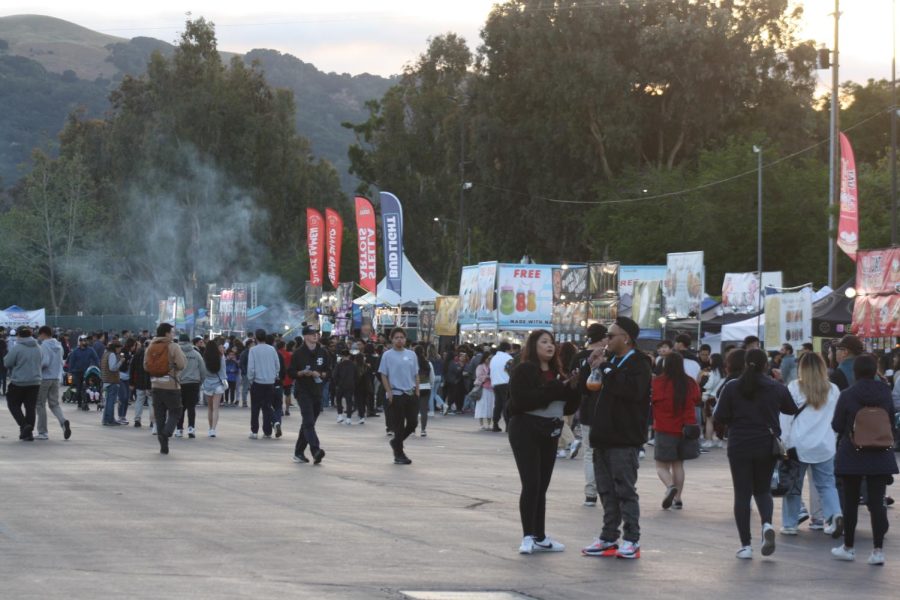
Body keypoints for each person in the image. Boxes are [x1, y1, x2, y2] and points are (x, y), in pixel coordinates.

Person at [714, 348, 797, 559]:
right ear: (766, 366)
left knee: (742, 494)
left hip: (739, 444)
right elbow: (791, 409)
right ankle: (767, 524)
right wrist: (779, 383)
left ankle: (745, 545)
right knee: (762, 490)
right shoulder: (775, 387)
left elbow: (720, 415)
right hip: (766, 444)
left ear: (744, 364)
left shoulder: (732, 387)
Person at [581, 317, 652, 560]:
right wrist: (591, 367)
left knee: (625, 490)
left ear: (626, 338)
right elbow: (587, 388)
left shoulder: (639, 362)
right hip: (601, 435)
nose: (606, 340)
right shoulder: (609, 361)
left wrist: (607, 368)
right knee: (606, 490)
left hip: (624, 437)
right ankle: (608, 536)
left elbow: (632, 391)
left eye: (611, 336)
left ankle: (632, 539)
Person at [508, 329, 579, 554]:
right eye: (544, 342)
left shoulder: (559, 372)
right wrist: (556, 388)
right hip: (525, 429)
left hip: (550, 430)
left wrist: (573, 388)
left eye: (552, 342)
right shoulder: (525, 370)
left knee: (542, 485)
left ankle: (540, 535)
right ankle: (528, 535)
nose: (550, 346)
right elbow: (522, 402)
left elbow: (568, 407)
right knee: (531, 483)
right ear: (533, 346)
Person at [830, 354, 898, 565]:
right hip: (880, 453)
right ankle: (877, 551)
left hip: (853, 453)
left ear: (856, 372)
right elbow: (891, 418)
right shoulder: (885, 392)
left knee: (850, 502)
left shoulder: (848, 394)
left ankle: (848, 547)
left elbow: (837, 424)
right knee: (877, 502)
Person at [779, 351, 842, 537]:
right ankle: (834, 515)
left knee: (793, 485)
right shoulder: (833, 389)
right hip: (825, 445)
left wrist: (784, 442)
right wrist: (834, 438)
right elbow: (837, 418)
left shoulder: (794, 387)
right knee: (827, 485)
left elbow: (786, 417)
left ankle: (790, 524)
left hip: (798, 445)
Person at [651, 352, 701, 510]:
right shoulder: (690, 382)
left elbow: (652, 400)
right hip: (686, 429)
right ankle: (678, 499)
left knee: (661, 466)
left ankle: (670, 486)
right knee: (678, 465)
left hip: (665, 428)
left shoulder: (658, 382)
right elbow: (697, 399)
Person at [572, 323, 608, 507]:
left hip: (587, 409)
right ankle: (607, 492)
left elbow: (576, 386)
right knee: (608, 452)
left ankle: (590, 494)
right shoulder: (610, 357)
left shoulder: (578, 357)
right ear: (603, 338)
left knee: (589, 452)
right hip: (608, 410)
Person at [378, 327, 419, 465]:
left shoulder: (411, 355)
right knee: (399, 425)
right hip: (396, 394)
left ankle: (396, 442)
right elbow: (383, 374)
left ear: (405, 339)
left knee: (413, 422)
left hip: (410, 393)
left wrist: (417, 390)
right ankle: (399, 454)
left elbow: (416, 374)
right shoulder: (387, 355)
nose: (399, 339)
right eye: (396, 337)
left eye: (402, 337)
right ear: (392, 339)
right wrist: (388, 391)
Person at [289, 326, 329, 464]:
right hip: (303, 391)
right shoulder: (298, 354)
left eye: (316, 333)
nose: (315, 336)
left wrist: (321, 374)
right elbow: (291, 372)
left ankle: (298, 452)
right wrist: (301, 373)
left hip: (317, 391)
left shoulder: (323, 352)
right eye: (312, 334)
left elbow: (328, 371)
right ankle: (315, 450)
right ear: (305, 336)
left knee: (308, 423)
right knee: (309, 421)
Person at [145, 323, 186, 455]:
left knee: (160, 416)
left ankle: (163, 445)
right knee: (176, 411)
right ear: (167, 333)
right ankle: (167, 433)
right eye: (172, 332)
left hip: (155, 385)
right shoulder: (173, 346)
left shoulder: (150, 346)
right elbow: (181, 364)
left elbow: (146, 366)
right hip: (171, 385)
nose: (173, 334)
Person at [4, 326, 43, 441]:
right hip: (35, 382)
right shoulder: (38, 347)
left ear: (19, 335)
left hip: (19, 382)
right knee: (30, 407)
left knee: (13, 404)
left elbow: (7, 362)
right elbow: (42, 360)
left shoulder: (18, 348)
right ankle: (28, 434)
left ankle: (24, 425)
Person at [35, 326, 70, 441]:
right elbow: (61, 361)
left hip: (45, 378)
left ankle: (43, 432)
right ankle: (63, 422)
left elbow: (45, 362)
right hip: (56, 378)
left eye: (39, 335)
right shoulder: (59, 345)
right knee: (54, 404)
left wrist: (36, 367)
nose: (39, 337)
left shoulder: (44, 345)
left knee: (40, 404)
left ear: (43, 334)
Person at [247, 329, 281, 440]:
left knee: (255, 408)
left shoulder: (253, 350)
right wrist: (274, 375)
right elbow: (277, 365)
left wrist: (251, 379)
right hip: (270, 382)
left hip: (257, 382)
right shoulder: (272, 349)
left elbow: (251, 368)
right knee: (267, 407)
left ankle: (254, 431)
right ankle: (267, 431)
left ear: (256, 337)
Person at [176, 334, 206, 439]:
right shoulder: (196, 354)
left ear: (179, 341)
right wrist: (200, 381)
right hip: (193, 383)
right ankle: (191, 428)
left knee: (180, 407)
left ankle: (179, 429)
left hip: (179, 383)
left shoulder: (176, 353)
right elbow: (203, 370)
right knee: (191, 407)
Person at [701, 353, 727, 448]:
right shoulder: (724, 372)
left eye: (711, 359)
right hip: (720, 398)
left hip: (711, 398)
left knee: (709, 420)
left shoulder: (713, 372)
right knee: (720, 421)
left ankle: (709, 440)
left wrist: (704, 386)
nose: (709, 360)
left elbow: (710, 384)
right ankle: (719, 440)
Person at [202, 338, 226, 438]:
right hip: (218, 385)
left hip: (208, 384)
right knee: (216, 408)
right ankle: (213, 429)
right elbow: (223, 372)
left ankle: (209, 427)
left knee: (210, 408)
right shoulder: (220, 357)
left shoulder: (204, 358)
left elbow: (203, 372)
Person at [130, 339, 154, 431]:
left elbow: (132, 368)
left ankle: (137, 420)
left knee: (139, 401)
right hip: (151, 382)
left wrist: (131, 382)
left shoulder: (138, 353)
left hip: (139, 382)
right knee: (151, 402)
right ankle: (152, 421)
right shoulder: (153, 354)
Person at [490, 342, 514, 431]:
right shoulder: (508, 358)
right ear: (508, 349)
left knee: (498, 405)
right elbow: (512, 371)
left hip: (496, 383)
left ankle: (495, 424)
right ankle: (508, 425)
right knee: (506, 405)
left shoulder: (494, 358)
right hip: (506, 383)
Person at [415, 345, 435, 437]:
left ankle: (412, 428)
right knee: (424, 410)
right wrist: (430, 384)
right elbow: (432, 377)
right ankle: (423, 430)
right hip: (426, 387)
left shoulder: (413, 363)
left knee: (413, 410)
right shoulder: (428, 363)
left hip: (415, 388)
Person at [472, 349, 494, 431]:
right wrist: (487, 377)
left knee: (490, 406)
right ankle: (481, 424)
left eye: (491, 358)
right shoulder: (480, 366)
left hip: (491, 388)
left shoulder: (492, 367)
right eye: (488, 358)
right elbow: (479, 376)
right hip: (483, 388)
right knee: (481, 405)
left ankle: (489, 424)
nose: (489, 360)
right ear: (484, 358)